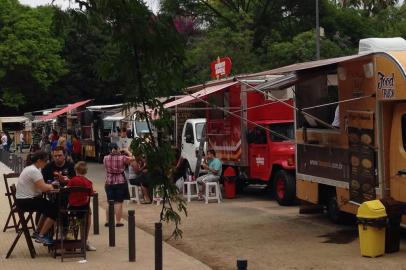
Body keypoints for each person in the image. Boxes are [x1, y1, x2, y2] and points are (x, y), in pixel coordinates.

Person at [15, 151, 57, 245]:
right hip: (27, 201)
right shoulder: (34, 171)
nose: (46, 163)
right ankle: (41, 235)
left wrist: (48, 185)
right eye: (45, 161)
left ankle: (38, 231)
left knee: (48, 207)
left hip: (23, 200)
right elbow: (43, 188)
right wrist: (51, 186)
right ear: (39, 161)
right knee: (54, 210)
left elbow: (40, 186)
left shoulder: (30, 168)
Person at [67, 161, 96, 251]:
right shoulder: (88, 182)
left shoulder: (72, 181)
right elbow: (91, 194)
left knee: (73, 221)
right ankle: (84, 241)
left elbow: (67, 190)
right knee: (87, 219)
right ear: (86, 172)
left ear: (76, 170)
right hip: (84, 209)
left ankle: (70, 241)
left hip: (72, 208)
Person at [103, 143, 132, 227]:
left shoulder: (105, 158)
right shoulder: (122, 158)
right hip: (120, 181)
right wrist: (127, 151)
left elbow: (105, 167)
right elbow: (133, 159)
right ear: (117, 148)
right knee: (119, 202)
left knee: (110, 202)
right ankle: (118, 221)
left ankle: (108, 220)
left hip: (109, 181)